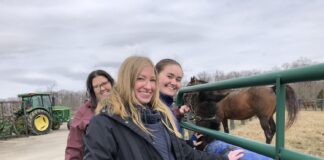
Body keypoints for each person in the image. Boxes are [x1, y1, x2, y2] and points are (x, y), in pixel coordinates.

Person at [84, 56, 244, 160]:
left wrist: (224, 159)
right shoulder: (104, 124)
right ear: (127, 81)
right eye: (140, 79)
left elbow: (185, 154)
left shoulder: (161, 117)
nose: (148, 86)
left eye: (152, 80)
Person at [65, 69, 114, 160]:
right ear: (92, 91)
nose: (102, 89)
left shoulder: (125, 106)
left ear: (111, 83)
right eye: (96, 86)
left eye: (104, 83)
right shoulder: (84, 112)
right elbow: (74, 148)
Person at [155, 58, 201, 147]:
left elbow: (171, 146)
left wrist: (177, 113)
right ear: (155, 76)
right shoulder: (150, 109)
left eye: (178, 79)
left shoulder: (166, 105)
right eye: (169, 76)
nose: (174, 82)